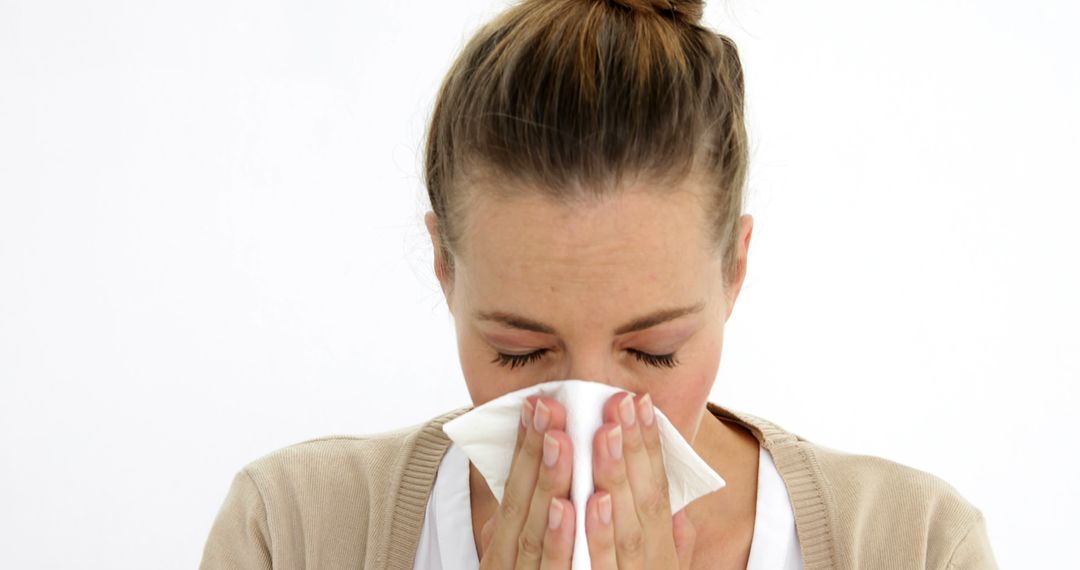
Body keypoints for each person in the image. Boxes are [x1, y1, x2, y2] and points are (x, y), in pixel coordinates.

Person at [199, 0, 999, 568]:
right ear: (444, 267)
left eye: (653, 353)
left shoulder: (916, 545)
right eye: (519, 353)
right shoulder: (294, 531)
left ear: (736, 271)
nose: (586, 411)